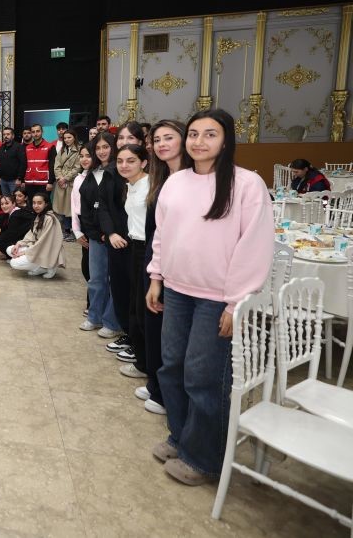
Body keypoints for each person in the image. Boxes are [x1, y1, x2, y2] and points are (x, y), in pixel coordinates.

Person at [146, 109, 272, 486]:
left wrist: (236, 302)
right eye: (194, 134)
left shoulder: (247, 184)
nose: (199, 141)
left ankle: (204, 458)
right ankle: (181, 436)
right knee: (172, 367)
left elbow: (254, 246)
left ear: (226, 139)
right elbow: (163, 234)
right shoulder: (176, 182)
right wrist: (156, 277)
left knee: (204, 376)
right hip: (177, 290)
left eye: (210, 134)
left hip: (217, 298)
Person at [137, 120, 185, 417]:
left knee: (170, 332)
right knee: (153, 324)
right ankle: (156, 383)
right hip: (154, 258)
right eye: (157, 140)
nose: (161, 144)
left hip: (177, 263)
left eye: (169, 138)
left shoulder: (193, 178)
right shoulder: (161, 176)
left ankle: (167, 393)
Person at [78, 132, 125, 338]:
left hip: (117, 236)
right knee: (96, 279)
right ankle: (94, 316)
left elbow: (120, 208)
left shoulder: (119, 171)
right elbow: (85, 208)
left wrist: (111, 232)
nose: (102, 151)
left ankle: (112, 322)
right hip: (96, 236)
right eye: (98, 148)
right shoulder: (91, 173)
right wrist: (94, 233)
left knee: (115, 281)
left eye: (106, 147)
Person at [108, 143, 150, 373]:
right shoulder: (130, 186)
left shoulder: (151, 186)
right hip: (134, 246)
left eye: (131, 161)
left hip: (148, 248)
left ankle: (144, 362)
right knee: (134, 302)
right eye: (120, 161)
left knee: (144, 306)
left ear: (143, 162)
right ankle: (139, 354)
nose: (124, 165)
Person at [8, 195, 65, 278]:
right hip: (38, 248)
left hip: (47, 252)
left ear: (46, 204)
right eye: (34, 203)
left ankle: (48, 266)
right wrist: (19, 244)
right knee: (10, 249)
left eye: (39, 203)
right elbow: (31, 235)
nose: (36, 206)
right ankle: (41, 266)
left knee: (14, 263)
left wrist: (25, 252)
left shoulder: (49, 218)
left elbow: (43, 243)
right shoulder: (40, 216)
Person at [71, 145, 93, 315]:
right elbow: (73, 205)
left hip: (96, 227)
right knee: (86, 267)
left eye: (88, 155)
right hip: (82, 225)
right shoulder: (79, 178)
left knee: (95, 269)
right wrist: (77, 231)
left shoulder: (100, 177)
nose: (84, 159)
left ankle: (92, 304)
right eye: (82, 156)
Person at [52, 128, 81, 241]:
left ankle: (73, 231)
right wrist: (60, 178)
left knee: (71, 208)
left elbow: (78, 167)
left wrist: (65, 178)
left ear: (74, 138)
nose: (67, 140)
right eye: (65, 138)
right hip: (61, 182)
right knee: (61, 208)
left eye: (69, 137)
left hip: (71, 183)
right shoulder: (62, 150)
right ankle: (65, 230)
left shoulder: (79, 150)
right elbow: (56, 165)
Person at [24, 123, 56, 202]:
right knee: (32, 204)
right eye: (33, 132)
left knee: (44, 205)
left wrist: (50, 182)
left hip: (44, 183)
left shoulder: (50, 146)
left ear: (42, 132)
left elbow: (53, 165)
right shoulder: (27, 148)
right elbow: (24, 165)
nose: (35, 134)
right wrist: (22, 180)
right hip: (29, 183)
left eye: (38, 131)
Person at [0, 126, 26, 197]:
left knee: (15, 200)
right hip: (3, 180)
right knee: (6, 200)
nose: (6, 136)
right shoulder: (1, 147)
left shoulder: (19, 147)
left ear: (13, 136)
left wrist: (19, 178)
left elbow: (23, 164)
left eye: (8, 134)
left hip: (14, 181)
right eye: (4, 134)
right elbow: (0, 162)